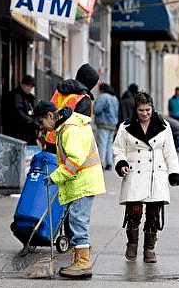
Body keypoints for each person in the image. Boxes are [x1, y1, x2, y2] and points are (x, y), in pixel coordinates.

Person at [33, 100, 105, 278]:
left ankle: (82, 263)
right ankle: (79, 261)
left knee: (78, 221)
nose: (43, 128)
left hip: (83, 182)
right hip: (81, 181)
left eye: (42, 123)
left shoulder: (70, 130)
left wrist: (54, 178)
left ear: (50, 116)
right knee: (76, 220)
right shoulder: (66, 127)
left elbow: (74, 161)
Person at [113, 91, 179, 263]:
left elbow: (170, 152)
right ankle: (132, 244)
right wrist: (121, 163)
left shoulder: (164, 126)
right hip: (134, 172)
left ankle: (149, 249)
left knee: (153, 215)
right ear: (136, 109)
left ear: (152, 108)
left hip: (156, 173)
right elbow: (118, 149)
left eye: (148, 110)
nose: (145, 113)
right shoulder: (125, 127)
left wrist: (174, 172)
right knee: (134, 212)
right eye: (141, 110)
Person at [44, 63, 100, 149]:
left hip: (51, 138)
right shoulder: (84, 99)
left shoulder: (59, 91)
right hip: (68, 144)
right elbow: (81, 128)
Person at [2, 74, 37, 144]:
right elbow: (19, 112)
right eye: (28, 86)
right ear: (22, 85)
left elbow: (33, 110)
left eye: (31, 86)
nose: (29, 88)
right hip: (16, 130)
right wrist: (32, 121)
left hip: (25, 131)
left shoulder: (29, 97)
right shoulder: (16, 95)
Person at [94, 83, 119, 170]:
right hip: (112, 124)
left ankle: (100, 163)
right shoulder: (114, 98)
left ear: (101, 89)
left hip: (103, 123)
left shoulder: (103, 97)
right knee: (109, 144)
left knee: (102, 144)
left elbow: (97, 109)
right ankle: (109, 163)